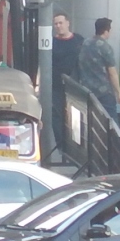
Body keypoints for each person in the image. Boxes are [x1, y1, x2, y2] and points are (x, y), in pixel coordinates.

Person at [80, 17, 120, 123]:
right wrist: (119, 93)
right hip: (104, 91)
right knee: (111, 120)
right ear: (106, 31)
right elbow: (112, 73)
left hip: (86, 89)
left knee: (90, 120)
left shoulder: (85, 43)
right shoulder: (105, 47)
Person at [52, 11, 84, 147]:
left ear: (68, 23)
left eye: (61, 23)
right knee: (57, 115)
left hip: (75, 85)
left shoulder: (79, 40)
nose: (58, 26)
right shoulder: (52, 42)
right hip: (56, 85)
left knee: (75, 115)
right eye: (56, 24)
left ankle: (75, 145)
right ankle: (61, 145)